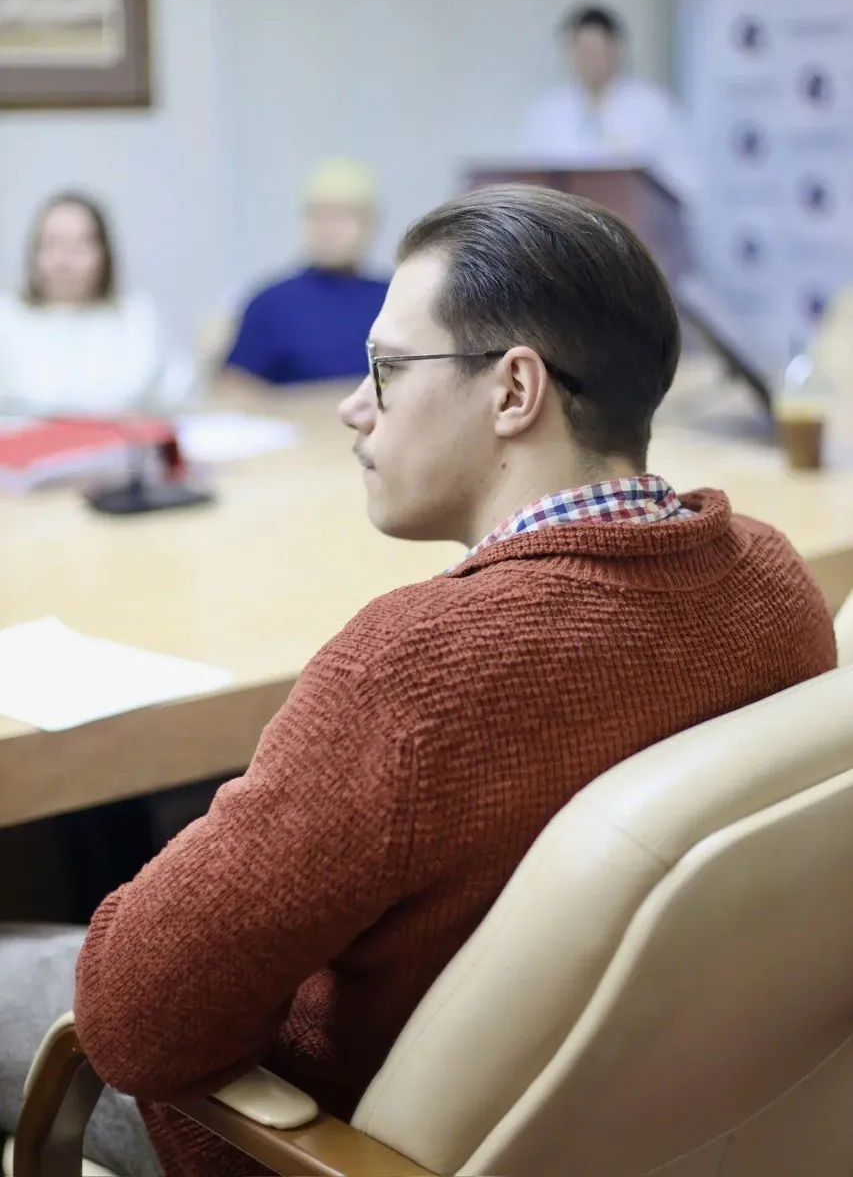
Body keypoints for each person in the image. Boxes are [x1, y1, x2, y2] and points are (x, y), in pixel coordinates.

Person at [0, 186, 836, 1177]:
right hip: (670, 1116)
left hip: (304, 1134)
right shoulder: (772, 581)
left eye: (387, 369)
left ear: (513, 390)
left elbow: (134, 1026)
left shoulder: (414, 674)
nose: (355, 406)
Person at [0, 192, 194, 417]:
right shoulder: (7, 318)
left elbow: (178, 402)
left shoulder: (138, 318)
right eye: (52, 244)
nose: (65, 260)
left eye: (79, 245)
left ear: (104, 254)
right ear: (34, 253)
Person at [225, 158, 389, 385]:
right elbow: (232, 388)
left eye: (344, 216)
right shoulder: (272, 304)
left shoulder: (396, 297)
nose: (330, 229)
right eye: (320, 215)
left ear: (370, 224)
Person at [521, 4, 698, 202]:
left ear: (616, 49)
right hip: (565, 218)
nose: (589, 61)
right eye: (581, 52)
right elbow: (530, 182)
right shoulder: (547, 112)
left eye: (596, 51)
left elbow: (682, 182)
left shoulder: (653, 108)